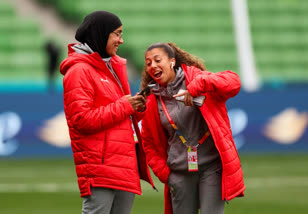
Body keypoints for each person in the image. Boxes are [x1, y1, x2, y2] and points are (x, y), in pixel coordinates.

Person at [59, 11, 154, 214]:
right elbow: (81, 120)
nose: (121, 40)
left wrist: (138, 106)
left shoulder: (111, 66)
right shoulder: (79, 71)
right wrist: (125, 105)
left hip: (123, 164)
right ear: (101, 34)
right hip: (101, 167)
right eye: (117, 34)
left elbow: (121, 115)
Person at [140, 42, 245, 214]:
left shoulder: (196, 78)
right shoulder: (153, 101)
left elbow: (233, 82)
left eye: (157, 60)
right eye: (148, 63)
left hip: (212, 168)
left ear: (172, 62)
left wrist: (196, 87)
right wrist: (165, 174)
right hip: (179, 173)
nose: (152, 65)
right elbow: (148, 142)